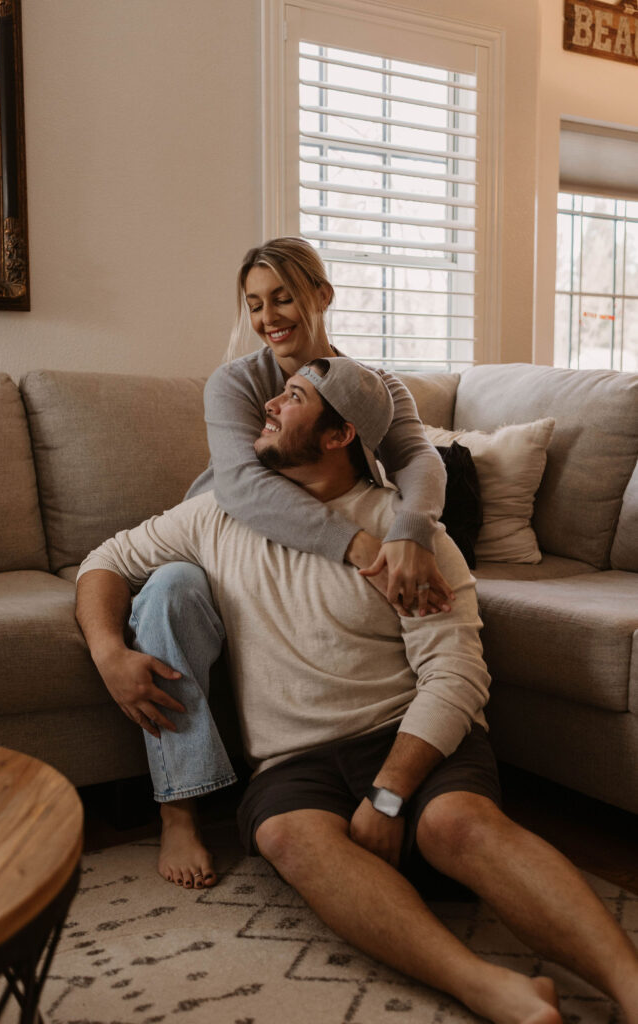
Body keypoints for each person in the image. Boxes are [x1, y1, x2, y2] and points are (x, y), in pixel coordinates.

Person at [76, 358, 638, 1024]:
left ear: (340, 434)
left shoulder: (411, 543)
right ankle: (488, 986)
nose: (267, 406)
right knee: (289, 837)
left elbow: (456, 675)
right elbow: (105, 560)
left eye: (292, 398)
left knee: (454, 823)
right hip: (295, 763)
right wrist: (110, 653)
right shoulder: (218, 516)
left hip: (408, 738)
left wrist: (391, 789)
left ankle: (629, 987)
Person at [80, 237, 455, 887]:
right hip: (228, 541)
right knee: (168, 590)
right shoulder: (237, 382)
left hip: (326, 544)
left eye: (281, 296)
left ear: (322, 295)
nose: (267, 316)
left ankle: (360, 768)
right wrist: (361, 546)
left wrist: (412, 533)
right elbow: (244, 489)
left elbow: (419, 460)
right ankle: (178, 811)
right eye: (253, 303)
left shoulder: (373, 386)